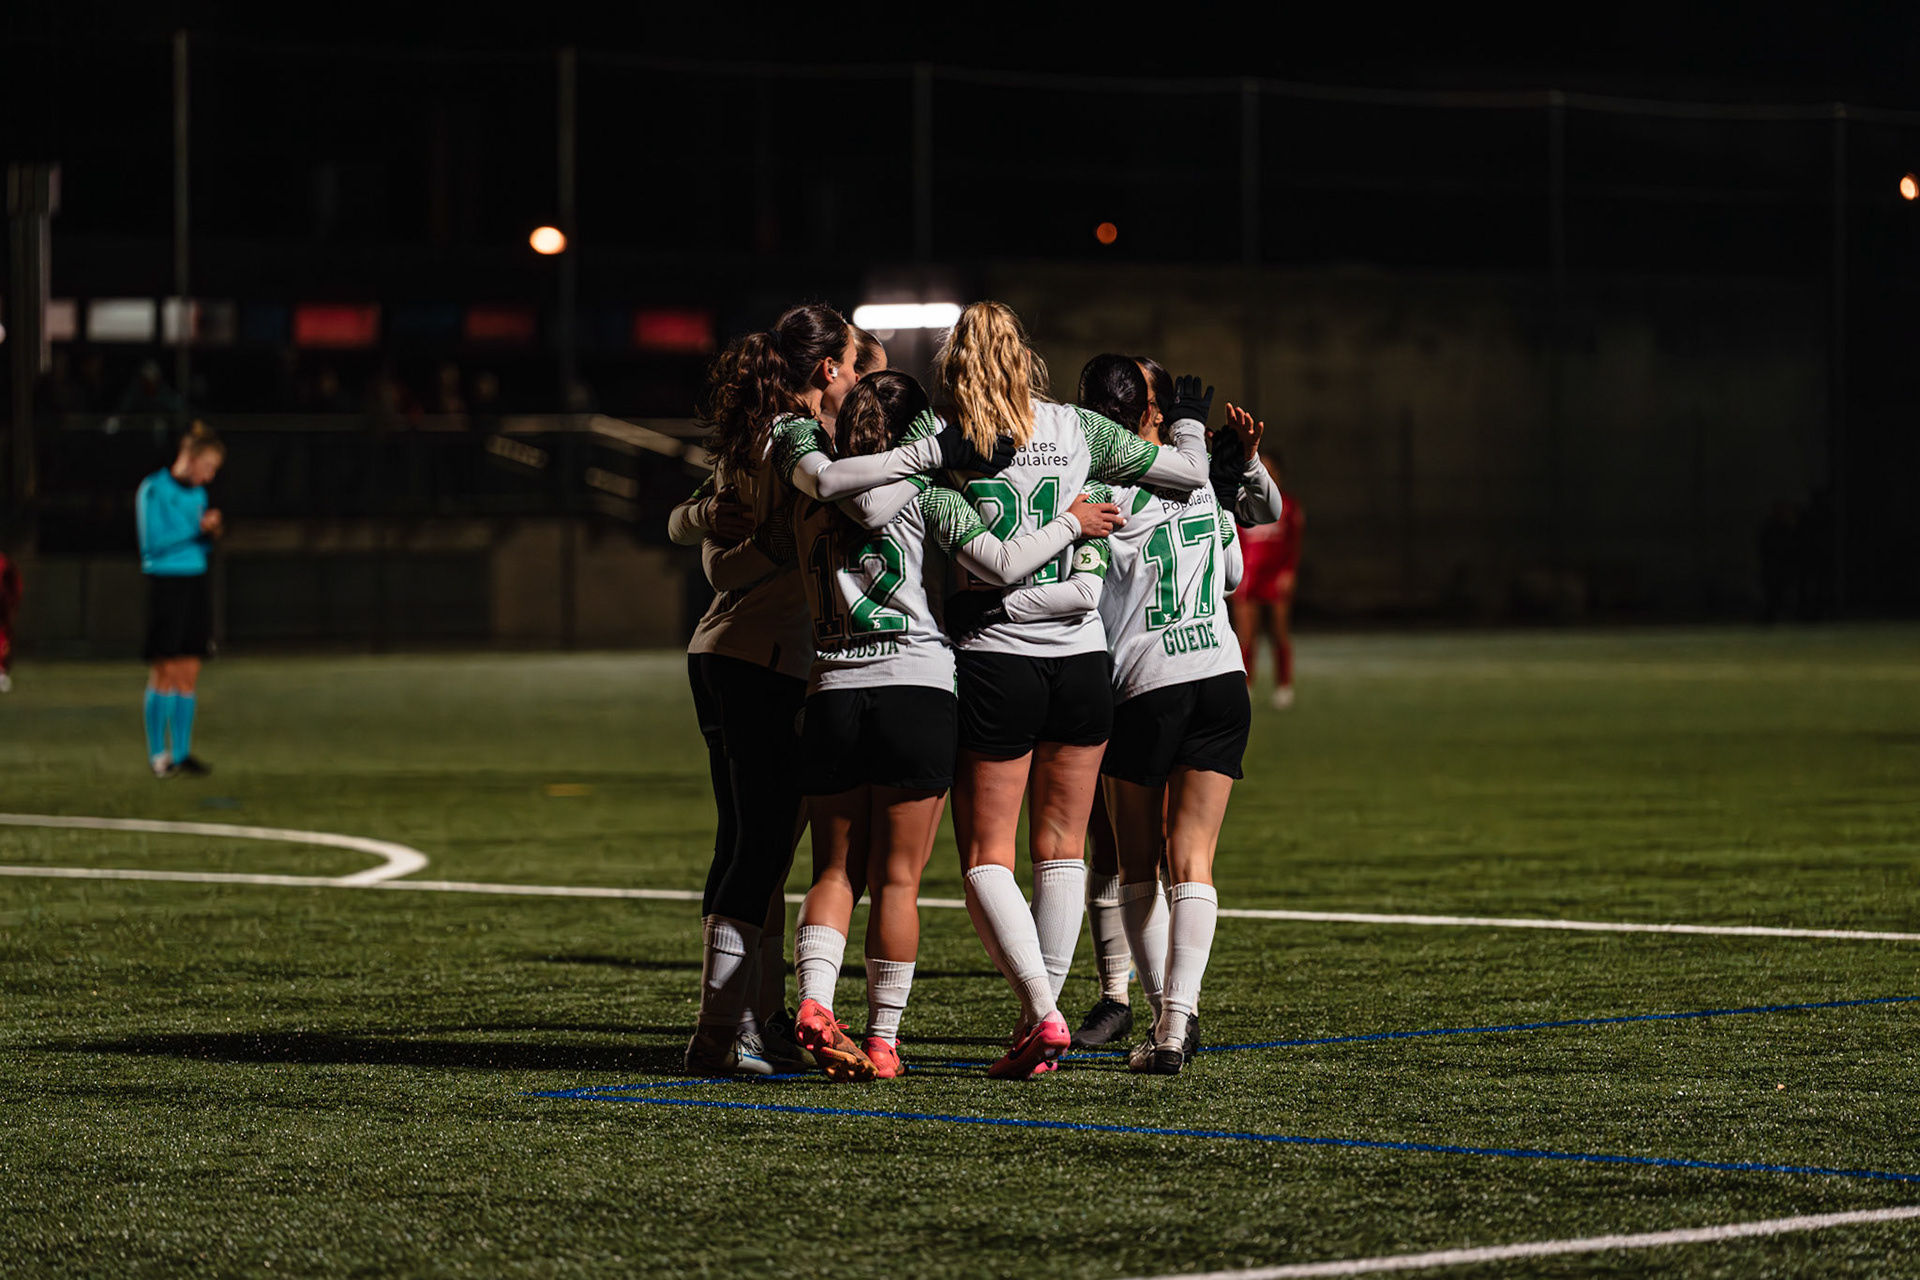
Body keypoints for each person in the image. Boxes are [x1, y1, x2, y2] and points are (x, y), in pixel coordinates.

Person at [677, 306, 1007, 1077]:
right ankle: (734, 1033)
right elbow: (842, 500)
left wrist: (696, 520)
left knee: (761, 853)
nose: (861, 385)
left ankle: (757, 1022)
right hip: (782, 661)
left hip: (778, 664)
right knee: (779, 856)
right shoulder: (800, 442)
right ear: (829, 371)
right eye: (859, 368)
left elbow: (720, 551)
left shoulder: (785, 438)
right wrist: (934, 454)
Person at [762, 371, 1121, 1079]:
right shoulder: (929, 494)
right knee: (899, 881)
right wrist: (1069, 521)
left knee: (834, 870)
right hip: (916, 687)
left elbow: (756, 544)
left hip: (832, 687)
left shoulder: (808, 498)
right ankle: (885, 1041)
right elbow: (1000, 561)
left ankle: (813, 999)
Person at [931, 302, 1214, 1079]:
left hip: (999, 655)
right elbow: (1188, 477)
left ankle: (1044, 1015)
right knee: (1059, 853)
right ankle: (1040, 1024)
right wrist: (1186, 423)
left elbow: (979, 557)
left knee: (988, 856)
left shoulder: (947, 438)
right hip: (1082, 660)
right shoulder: (1076, 427)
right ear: (1025, 355)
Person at [1092, 378, 1277, 1074]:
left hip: (1148, 684)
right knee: (1193, 860)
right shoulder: (1198, 483)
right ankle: (1176, 1025)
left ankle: (1163, 1017)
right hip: (1222, 677)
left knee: (1139, 867)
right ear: (1153, 418)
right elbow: (1230, 573)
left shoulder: (1103, 497)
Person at [136, 422, 225, 778]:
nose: (209, 477)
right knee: (165, 671)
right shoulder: (153, 488)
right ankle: (159, 755)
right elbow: (151, 544)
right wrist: (195, 531)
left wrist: (211, 532)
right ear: (190, 458)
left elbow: (199, 543)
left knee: (189, 670)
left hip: (195, 581)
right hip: (166, 584)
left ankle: (183, 752)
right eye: (208, 467)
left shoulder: (198, 495)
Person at [1229, 454, 1302, 709]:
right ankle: (1246, 686)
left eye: (1271, 470)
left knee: (1279, 632)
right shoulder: (1242, 503)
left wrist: (1289, 572)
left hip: (1275, 576)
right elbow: (1233, 540)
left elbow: (1294, 543)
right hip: (1248, 575)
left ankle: (1284, 685)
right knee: (1247, 635)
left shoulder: (1288, 506)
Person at [0, 550, 20, 694]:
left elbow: (15, 583)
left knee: (4, 637)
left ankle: (1, 672)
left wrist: (12, 602)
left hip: (3, 604)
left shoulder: (4, 562)